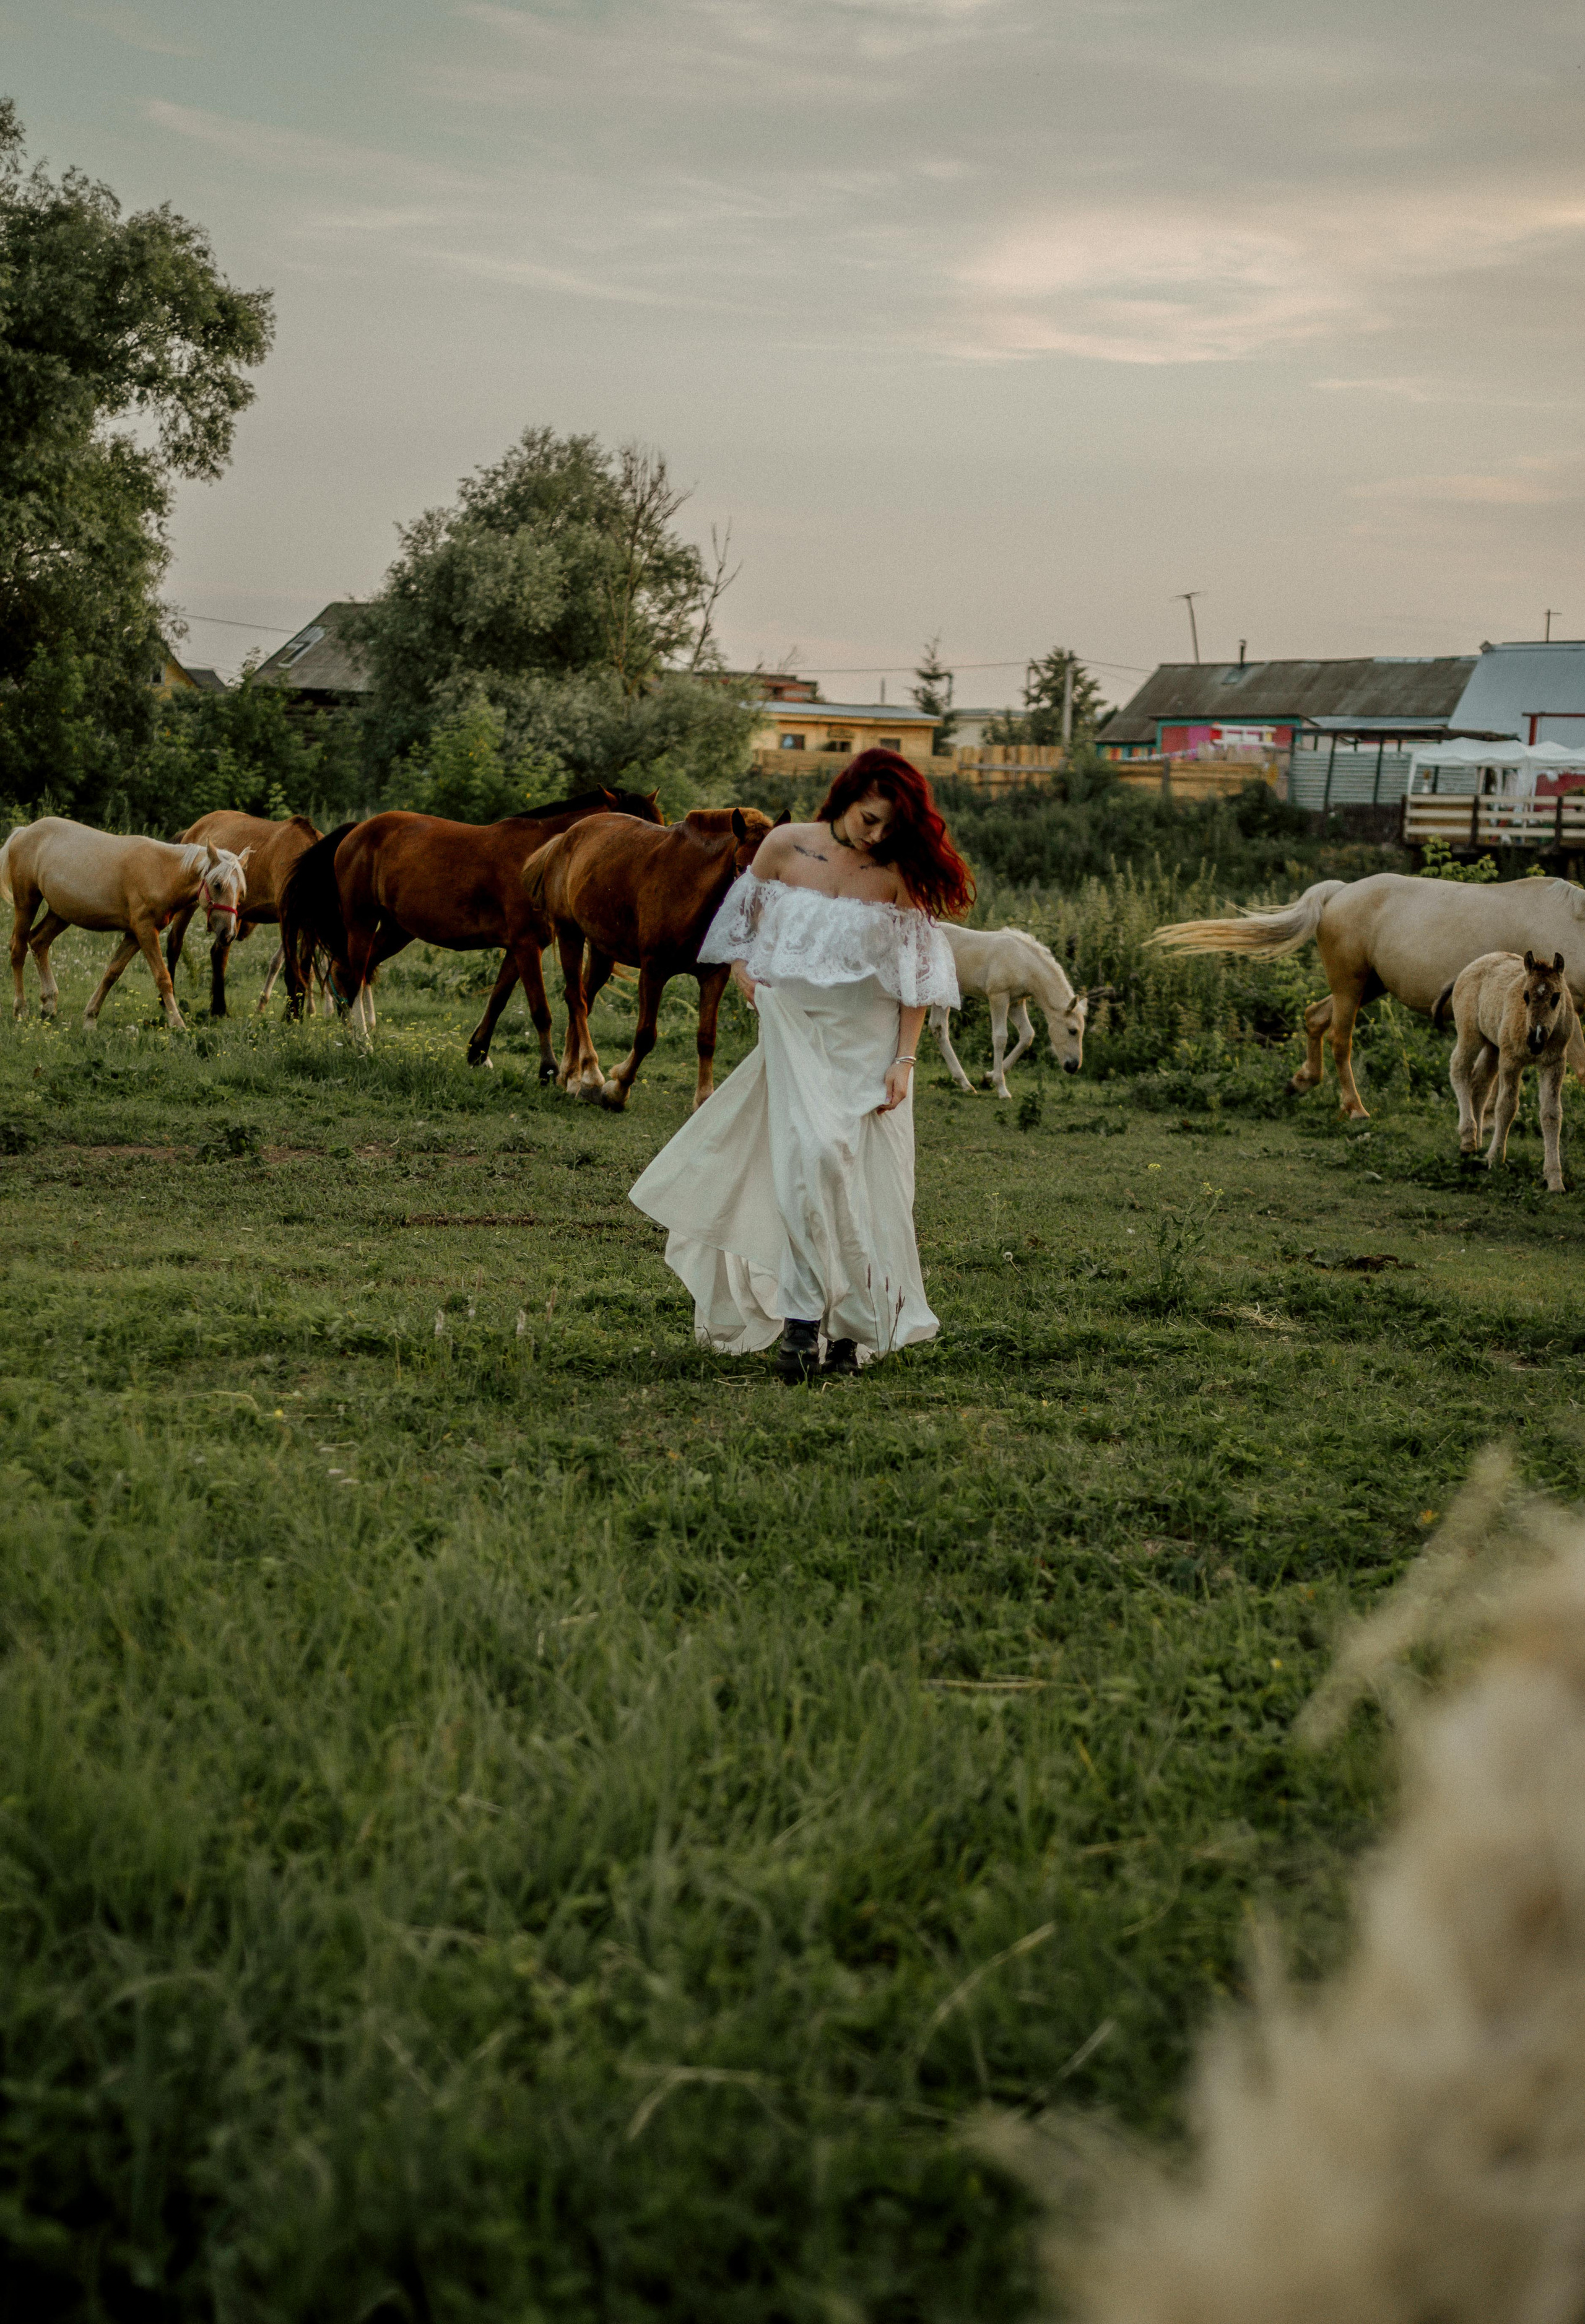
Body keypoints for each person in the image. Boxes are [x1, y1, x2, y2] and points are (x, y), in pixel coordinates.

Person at [628, 747, 972, 1382]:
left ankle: (850, 1331)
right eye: (869, 819)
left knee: (861, 1180)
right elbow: (740, 928)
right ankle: (802, 1319)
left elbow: (917, 977)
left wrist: (904, 1060)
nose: (876, 836)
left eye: (890, 827)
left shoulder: (896, 872)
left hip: (868, 1040)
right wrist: (743, 970)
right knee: (807, 1161)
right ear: (846, 796)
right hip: (793, 1030)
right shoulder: (784, 847)